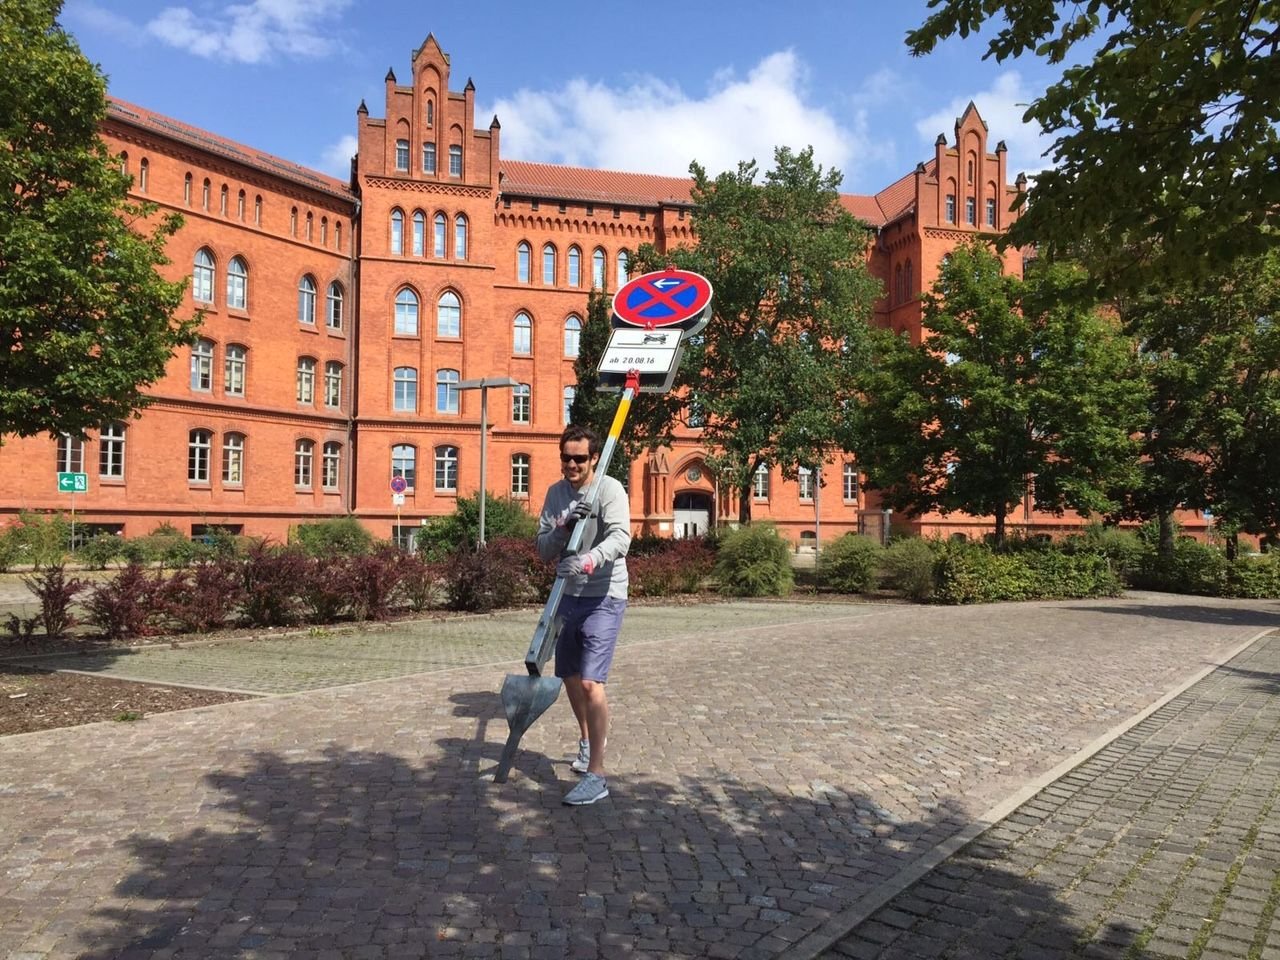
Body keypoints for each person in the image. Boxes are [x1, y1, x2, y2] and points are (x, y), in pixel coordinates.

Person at [536, 424, 631, 805]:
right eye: (566, 458)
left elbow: (621, 537)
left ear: (594, 458)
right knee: (571, 678)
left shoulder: (609, 489)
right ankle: (587, 740)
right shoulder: (556, 494)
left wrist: (589, 559)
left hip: (604, 594)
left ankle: (597, 773)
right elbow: (543, 549)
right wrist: (563, 528)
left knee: (592, 682)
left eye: (579, 458)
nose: (571, 465)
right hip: (566, 595)